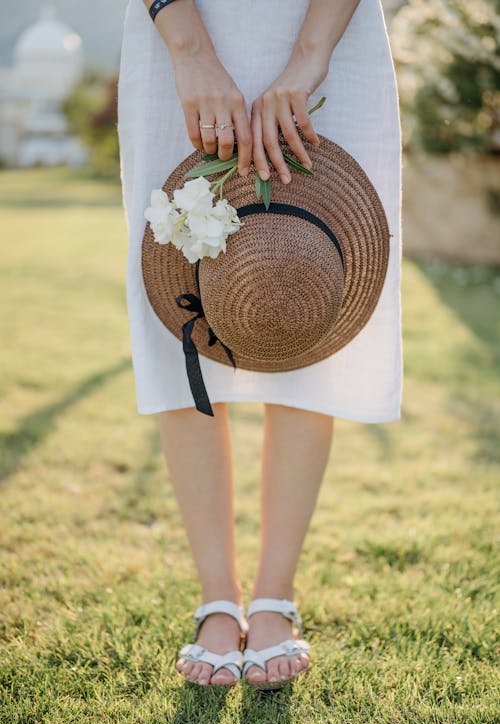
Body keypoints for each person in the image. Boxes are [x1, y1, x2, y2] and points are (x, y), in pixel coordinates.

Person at [117, 0, 402, 687]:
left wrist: (310, 56)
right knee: (183, 296)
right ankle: (218, 596)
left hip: (330, 32)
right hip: (177, 30)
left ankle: (275, 594)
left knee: (309, 299)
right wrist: (189, 51)